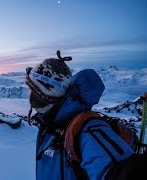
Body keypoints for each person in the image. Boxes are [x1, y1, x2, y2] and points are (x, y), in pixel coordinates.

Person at [25, 50, 146, 180]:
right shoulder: (50, 123)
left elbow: (121, 172)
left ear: (44, 97)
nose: (29, 96)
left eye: (33, 91)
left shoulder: (86, 130)